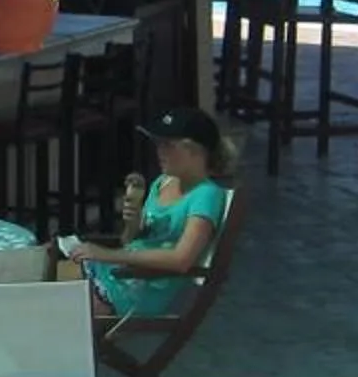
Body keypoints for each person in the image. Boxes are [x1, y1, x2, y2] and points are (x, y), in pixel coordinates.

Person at [60, 105, 234, 318]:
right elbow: (130, 241)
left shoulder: (205, 195)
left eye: (167, 145)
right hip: (116, 274)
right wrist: (133, 221)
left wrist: (106, 254)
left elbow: (181, 259)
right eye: (158, 144)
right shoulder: (163, 182)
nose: (158, 151)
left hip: (135, 291)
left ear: (194, 151)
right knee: (44, 267)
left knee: (48, 299)